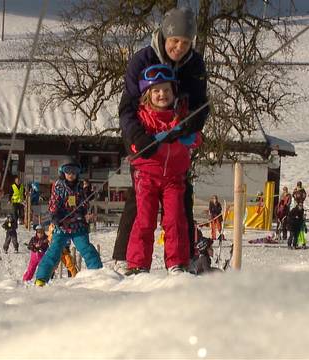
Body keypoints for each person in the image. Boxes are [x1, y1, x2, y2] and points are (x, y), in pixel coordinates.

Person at [113, 6, 209, 269]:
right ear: (164, 36)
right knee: (140, 202)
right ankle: (124, 259)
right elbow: (127, 108)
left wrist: (191, 125)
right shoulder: (142, 60)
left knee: (181, 200)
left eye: (186, 42)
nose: (180, 47)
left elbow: (202, 105)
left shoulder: (195, 64)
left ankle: (184, 259)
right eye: (175, 40)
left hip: (176, 148)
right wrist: (137, 139)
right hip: (145, 144)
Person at [124, 63, 201, 276]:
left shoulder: (180, 115)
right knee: (145, 218)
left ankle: (177, 262)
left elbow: (196, 138)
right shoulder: (142, 117)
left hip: (174, 177)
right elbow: (133, 142)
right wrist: (145, 142)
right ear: (148, 94)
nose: (162, 95)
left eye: (166, 90)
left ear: (173, 92)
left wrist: (189, 135)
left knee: (175, 218)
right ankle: (138, 263)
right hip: (147, 175)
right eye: (156, 91)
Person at [34, 163, 102, 287]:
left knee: (87, 249)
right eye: (68, 172)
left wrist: (87, 199)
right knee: (54, 251)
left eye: (74, 172)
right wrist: (55, 216)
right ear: (63, 173)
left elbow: (85, 205)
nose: (71, 175)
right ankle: (41, 278)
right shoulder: (59, 187)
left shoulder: (80, 187)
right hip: (62, 225)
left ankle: (99, 274)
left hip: (77, 225)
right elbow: (54, 202)